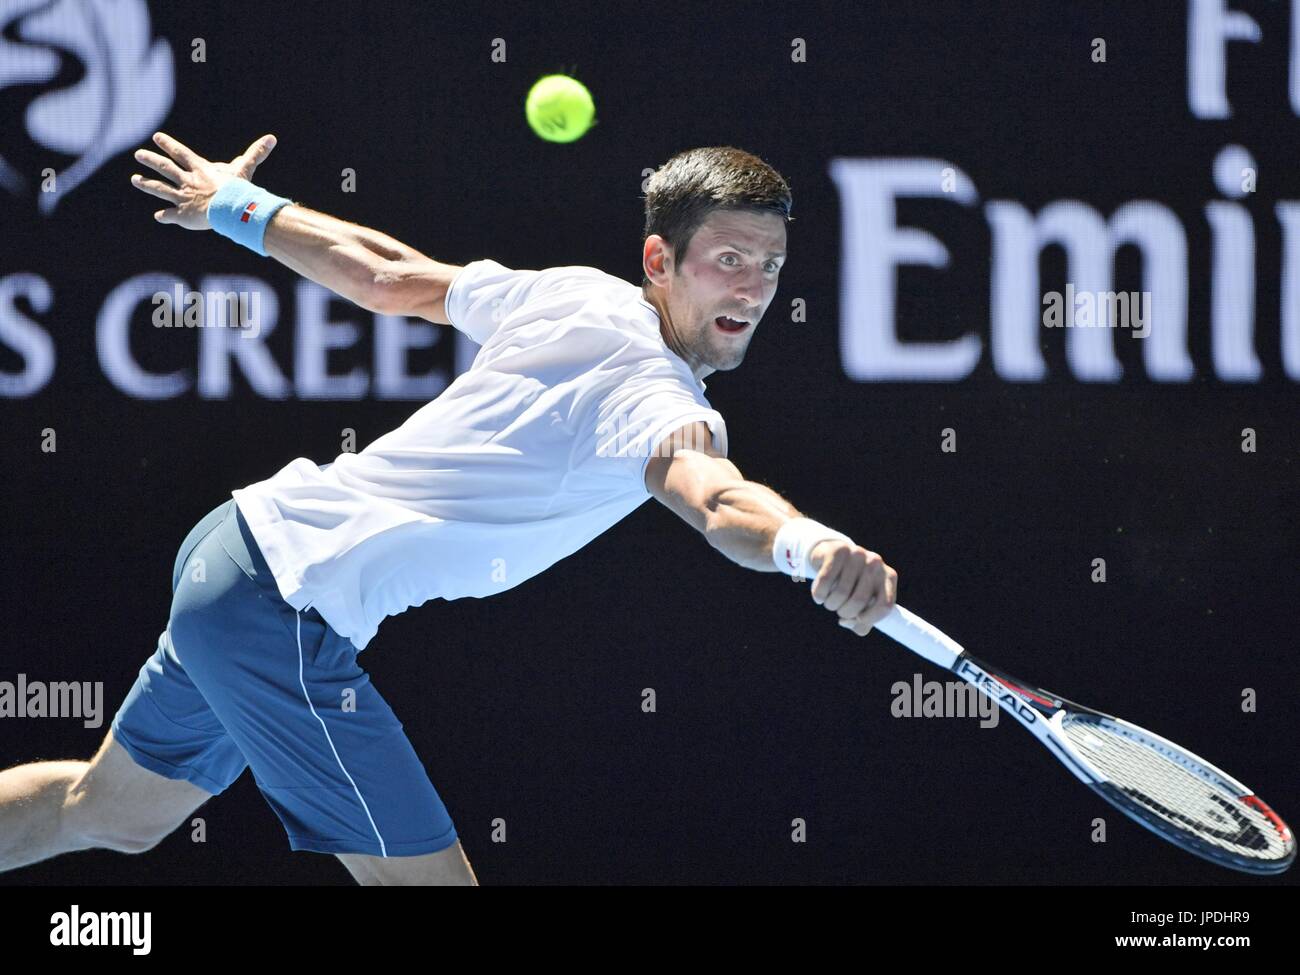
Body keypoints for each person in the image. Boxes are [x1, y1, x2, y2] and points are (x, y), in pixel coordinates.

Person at [0, 134, 897, 885]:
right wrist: (805, 543)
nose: (751, 289)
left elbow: (390, 277)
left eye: (769, 268)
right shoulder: (660, 402)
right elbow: (717, 495)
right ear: (660, 260)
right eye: (728, 261)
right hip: (281, 605)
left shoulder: (576, 291)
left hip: (232, 552)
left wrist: (240, 205)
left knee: (108, 812)